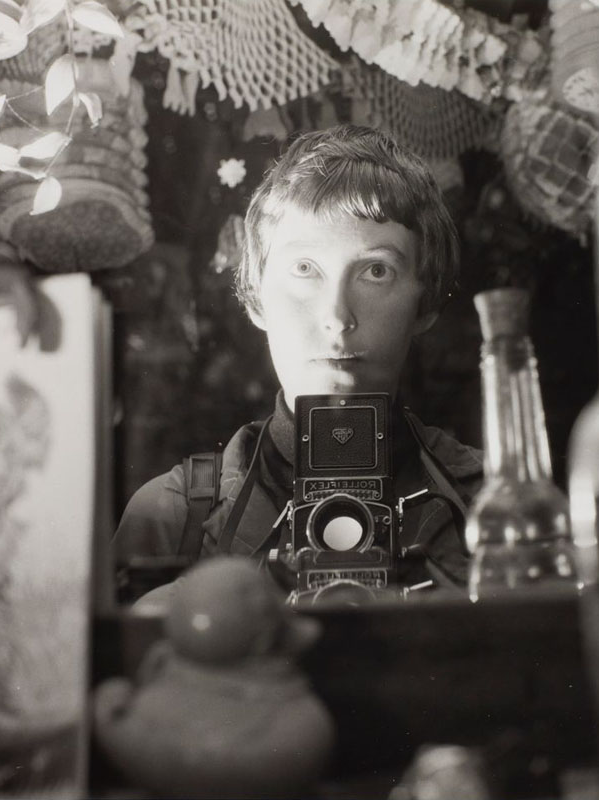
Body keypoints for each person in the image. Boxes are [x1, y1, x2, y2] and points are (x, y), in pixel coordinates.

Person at [114, 124, 482, 597]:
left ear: (425, 301)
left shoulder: (489, 504)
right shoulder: (173, 514)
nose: (337, 317)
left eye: (375, 270)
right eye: (304, 269)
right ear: (255, 298)